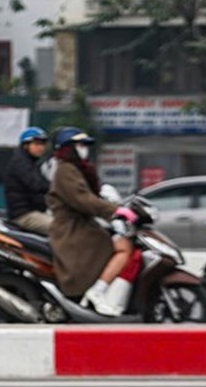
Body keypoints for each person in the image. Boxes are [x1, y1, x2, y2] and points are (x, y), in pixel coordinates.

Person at [45, 127, 137, 316]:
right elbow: (84, 199)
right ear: (68, 148)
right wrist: (115, 210)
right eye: (80, 145)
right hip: (73, 231)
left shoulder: (76, 169)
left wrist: (114, 205)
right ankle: (98, 291)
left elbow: (94, 195)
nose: (84, 148)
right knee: (124, 248)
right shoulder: (66, 170)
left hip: (83, 225)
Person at [4, 126, 51, 236]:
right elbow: (37, 185)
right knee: (61, 228)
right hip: (24, 214)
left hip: (35, 211)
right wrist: (58, 188)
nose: (41, 148)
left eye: (43, 144)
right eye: (36, 144)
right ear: (25, 145)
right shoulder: (20, 163)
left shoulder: (32, 163)